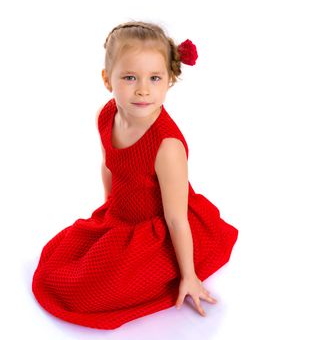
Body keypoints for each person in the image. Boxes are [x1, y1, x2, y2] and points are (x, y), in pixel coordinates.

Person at [32, 20, 239, 330]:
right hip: (122, 215)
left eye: (154, 78)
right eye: (130, 77)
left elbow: (176, 219)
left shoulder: (167, 146)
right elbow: (109, 165)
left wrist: (190, 276)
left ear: (169, 80)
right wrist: (107, 213)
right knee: (60, 268)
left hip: (160, 229)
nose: (143, 89)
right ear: (107, 79)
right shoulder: (108, 115)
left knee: (95, 294)